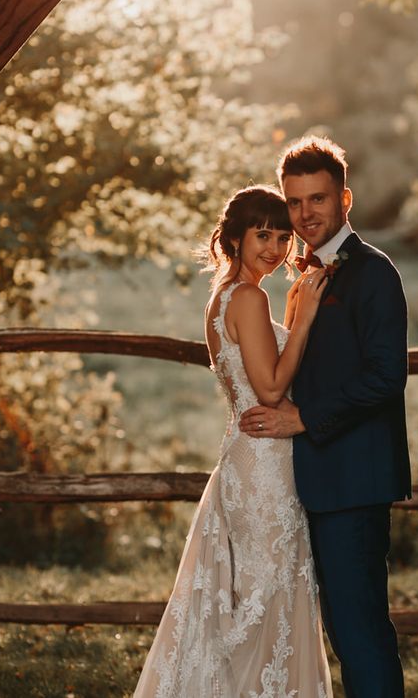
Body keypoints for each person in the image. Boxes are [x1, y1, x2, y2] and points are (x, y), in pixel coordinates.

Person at [133, 184, 333, 697]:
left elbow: (259, 371)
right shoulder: (249, 296)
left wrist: (289, 321)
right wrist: (305, 319)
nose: (275, 247)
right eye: (262, 234)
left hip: (244, 457)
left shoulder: (222, 297)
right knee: (267, 593)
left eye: (283, 236)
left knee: (252, 595)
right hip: (265, 463)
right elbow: (269, 387)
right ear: (236, 239)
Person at [239, 137, 412, 698]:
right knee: (340, 629)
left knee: (360, 632)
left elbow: (387, 377)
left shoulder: (374, 273)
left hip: (355, 481)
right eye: (294, 202)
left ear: (345, 199)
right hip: (312, 482)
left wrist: (304, 418)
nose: (305, 213)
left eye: (317, 199)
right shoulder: (301, 275)